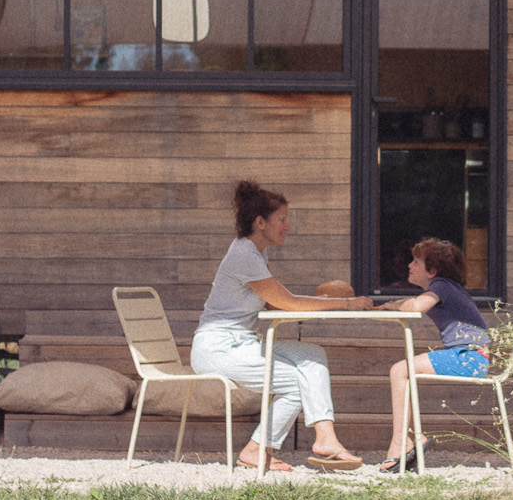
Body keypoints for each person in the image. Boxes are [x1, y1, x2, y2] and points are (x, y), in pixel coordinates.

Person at [189, 180, 371, 472]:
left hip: (242, 344)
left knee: (312, 355)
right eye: (283, 220)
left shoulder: (255, 252)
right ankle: (257, 449)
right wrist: (346, 304)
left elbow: (275, 302)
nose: (287, 227)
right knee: (297, 383)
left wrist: (320, 300)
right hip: (218, 349)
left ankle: (325, 438)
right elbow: (286, 302)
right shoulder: (243, 255)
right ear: (260, 222)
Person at [374, 237, 490, 473]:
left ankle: (401, 442)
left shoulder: (442, 285)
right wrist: (394, 304)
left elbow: (416, 306)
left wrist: (394, 305)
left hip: (469, 357)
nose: (409, 265)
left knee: (399, 370)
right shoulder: (444, 287)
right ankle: (407, 439)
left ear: (432, 270)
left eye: (416, 261)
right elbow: (414, 302)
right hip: (469, 355)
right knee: (402, 371)